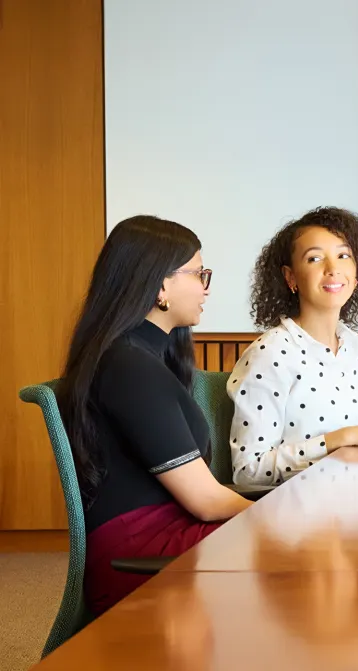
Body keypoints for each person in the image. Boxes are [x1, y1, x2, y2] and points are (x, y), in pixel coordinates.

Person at [56, 215, 251, 614]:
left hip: (162, 536)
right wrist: (286, 522)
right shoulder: (128, 366)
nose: (206, 288)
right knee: (294, 555)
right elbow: (204, 500)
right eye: (199, 274)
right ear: (161, 285)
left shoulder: (139, 357)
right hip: (141, 554)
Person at [228, 207, 358, 488]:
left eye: (344, 256)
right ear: (291, 277)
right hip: (299, 518)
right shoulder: (270, 353)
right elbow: (248, 470)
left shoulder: (354, 346)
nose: (333, 269)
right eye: (315, 258)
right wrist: (344, 439)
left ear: (357, 275)